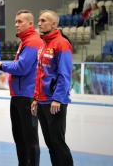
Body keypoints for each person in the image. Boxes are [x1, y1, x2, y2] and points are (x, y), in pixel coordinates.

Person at [0, 10, 43, 166]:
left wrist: (2, 65)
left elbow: (22, 67)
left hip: (27, 96)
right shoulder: (25, 42)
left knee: (29, 139)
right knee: (20, 138)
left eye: (20, 21)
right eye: (15, 21)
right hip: (18, 96)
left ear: (30, 24)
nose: (16, 25)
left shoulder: (33, 42)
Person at [32, 10, 73, 166]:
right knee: (50, 144)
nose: (39, 23)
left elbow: (64, 74)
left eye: (43, 20)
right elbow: (39, 73)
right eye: (39, 20)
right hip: (42, 101)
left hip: (55, 102)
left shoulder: (62, 43)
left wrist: (58, 98)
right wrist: (35, 97)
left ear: (54, 24)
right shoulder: (43, 45)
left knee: (58, 143)